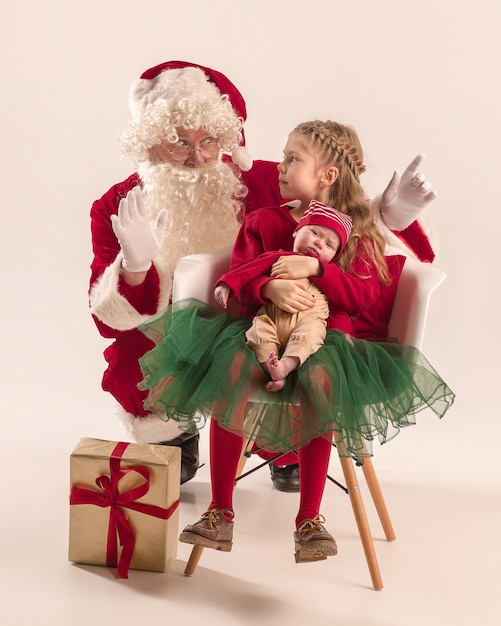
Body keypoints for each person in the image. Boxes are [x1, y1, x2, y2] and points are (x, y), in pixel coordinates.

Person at [89, 59, 440, 489]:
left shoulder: (264, 179)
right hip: (171, 325)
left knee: (291, 356)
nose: (198, 157)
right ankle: (176, 436)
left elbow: (335, 215)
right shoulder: (116, 206)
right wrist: (136, 268)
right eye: (179, 144)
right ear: (149, 141)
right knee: (132, 360)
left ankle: (283, 445)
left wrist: (389, 213)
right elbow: (109, 322)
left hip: (261, 313)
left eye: (209, 140)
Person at [137, 120, 454, 563]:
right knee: (232, 371)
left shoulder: (355, 231)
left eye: (293, 159)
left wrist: (319, 270)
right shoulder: (265, 222)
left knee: (320, 381)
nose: (281, 167)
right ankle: (219, 511)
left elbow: (363, 298)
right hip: (258, 327)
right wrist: (268, 288)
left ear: (327, 175)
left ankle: (309, 518)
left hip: (327, 339)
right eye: (284, 156)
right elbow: (241, 276)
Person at [214, 201, 354, 392]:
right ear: (297, 231)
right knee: (258, 332)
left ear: (334, 256)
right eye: (314, 233)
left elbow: (338, 309)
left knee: (312, 333)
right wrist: (226, 284)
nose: (319, 243)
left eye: (329, 245)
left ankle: (286, 365)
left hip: (307, 320)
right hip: (272, 317)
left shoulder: (328, 273)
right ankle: (272, 370)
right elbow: (246, 271)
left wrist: (344, 335)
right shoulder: (277, 257)